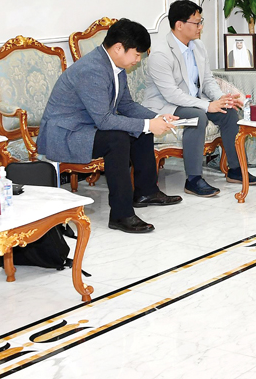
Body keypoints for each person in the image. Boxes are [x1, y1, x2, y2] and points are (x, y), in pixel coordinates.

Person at [38, 19, 182, 234]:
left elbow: (127, 106)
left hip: (87, 128)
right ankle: (121, 214)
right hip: (66, 134)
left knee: (140, 129)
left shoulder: (116, 66)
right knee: (118, 138)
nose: (138, 59)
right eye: (137, 53)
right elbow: (104, 120)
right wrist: (148, 124)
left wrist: (158, 118)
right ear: (118, 48)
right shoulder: (92, 70)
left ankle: (146, 192)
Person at [143, 0, 256, 197]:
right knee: (198, 116)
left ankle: (235, 169)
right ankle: (193, 180)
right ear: (179, 25)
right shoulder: (161, 53)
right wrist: (208, 105)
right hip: (166, 105)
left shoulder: (198, 46)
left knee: (229, 112)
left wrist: (222, 100)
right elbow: (171, 94)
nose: (200, 27)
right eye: (197, 23)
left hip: (193, 101)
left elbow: (207, 81)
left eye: (201, 22)